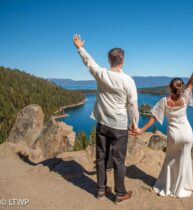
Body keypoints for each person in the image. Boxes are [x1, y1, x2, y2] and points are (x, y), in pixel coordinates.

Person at [73, 34, 139, 203]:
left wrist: (80, 47)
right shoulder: (128, 80)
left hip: (102, 123)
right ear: (122, 60)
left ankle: (101, 190)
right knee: (119, 161)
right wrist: (134, 123)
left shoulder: (101, 74)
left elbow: (89, 61)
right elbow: (133, 105)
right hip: (119, 126)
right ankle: (119, 194)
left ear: (109, 60)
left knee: (101, 158)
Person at [132, 53, 193, 197]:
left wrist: (141, 129)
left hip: (174, 135)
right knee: (184, 159)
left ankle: (169, 186)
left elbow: (154, 118)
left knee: (170, 160)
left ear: (169, 87)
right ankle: (184, 185)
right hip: (187, 133)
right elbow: (192, 80)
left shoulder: (164, 101)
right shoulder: (185, 97)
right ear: (181, 88)